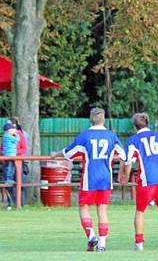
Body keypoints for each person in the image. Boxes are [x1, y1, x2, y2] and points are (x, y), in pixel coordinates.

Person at [55, 107, 126, 252]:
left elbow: (69, 153)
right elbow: (124, 155)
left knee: (83, 207)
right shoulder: (111, 136)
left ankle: (91, 235)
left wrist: (55, 154)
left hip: (90, 177)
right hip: (106, 177)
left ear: (90, 119)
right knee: (102, 209)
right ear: (103, 119)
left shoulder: (85, 136)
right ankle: (102, 244)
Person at [118, 112, 158, 252]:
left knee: (140, 211)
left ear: (134, 126)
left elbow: (128, 161)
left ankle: (139, 243)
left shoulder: (133, 140)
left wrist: (125, 176)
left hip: (146, 180)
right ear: (148, 122)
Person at [2, 122, 19, 209]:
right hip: (9, 156)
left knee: (11, 168)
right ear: (9, 130)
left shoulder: (8, 136)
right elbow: (17, 140)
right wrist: (17, 135)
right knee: (9, 168)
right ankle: (9, 179)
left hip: (12, 156)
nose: (15, 131)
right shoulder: (7, 136)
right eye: (13, 129)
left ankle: (10, 179)